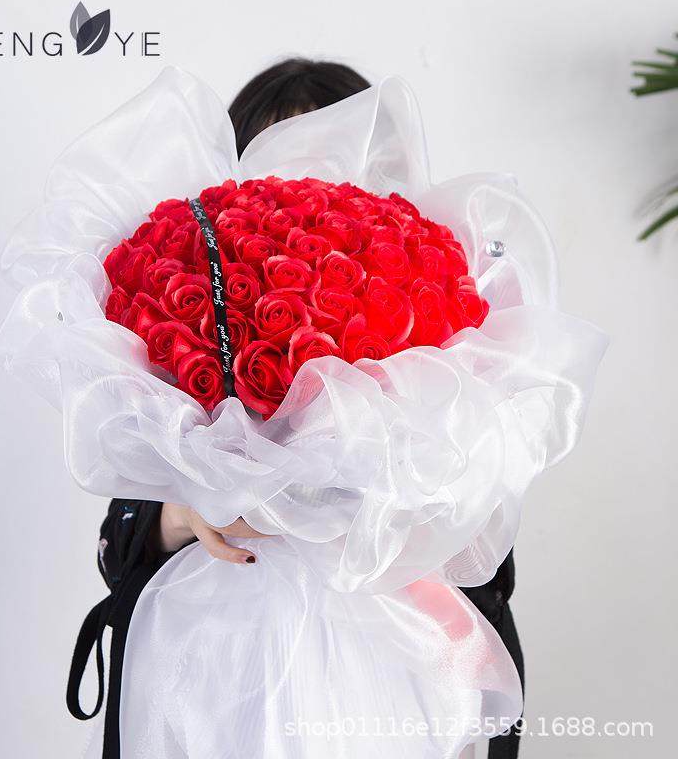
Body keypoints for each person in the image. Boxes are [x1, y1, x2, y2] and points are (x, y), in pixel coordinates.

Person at [108, 58, 524, 759]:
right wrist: (182, 513)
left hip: (394, 680)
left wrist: (384, 511)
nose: (305, 191)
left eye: (333, 159)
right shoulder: (184, 326)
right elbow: (118, 551)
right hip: (210, 678)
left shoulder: (454, 334)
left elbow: (484, 559)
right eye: (275, 162)